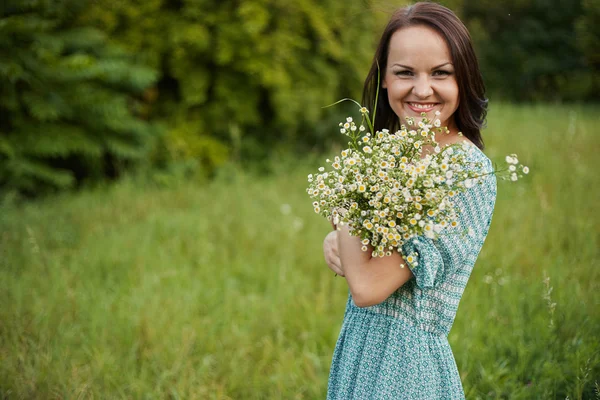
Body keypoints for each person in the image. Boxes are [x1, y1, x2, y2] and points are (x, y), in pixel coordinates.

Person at [322, 2, 496, 399]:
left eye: (441, 73)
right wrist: (336, 242)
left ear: (463, 80)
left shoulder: (465, 174)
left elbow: (366, 286)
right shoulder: (394, 154)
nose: (422, 90)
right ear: (384, 79)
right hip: (361, 348)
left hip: (404, 370)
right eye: (404, 72)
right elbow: (362, 255)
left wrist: (345, 212)